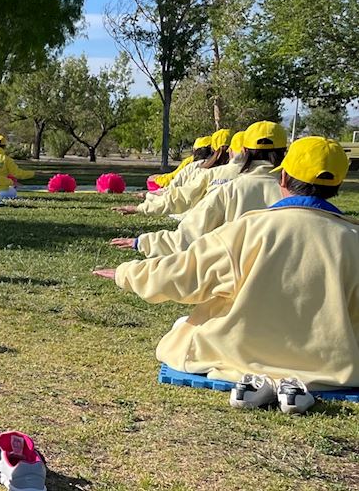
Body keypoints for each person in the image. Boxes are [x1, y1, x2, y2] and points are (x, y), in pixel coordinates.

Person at [94, 137, 359, 402]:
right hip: (334, 368)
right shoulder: (352, 238)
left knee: (184, 330)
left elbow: (185, 273)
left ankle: (259, 382)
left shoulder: (248, 230)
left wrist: (127, 273)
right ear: (337, 186)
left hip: (237, 356)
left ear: (284, 178)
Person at [111, 122, 288, 258]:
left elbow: (188, 231)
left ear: (243, 151)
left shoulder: (227, 188)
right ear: (284, 152)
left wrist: (142, 241)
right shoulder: (292, 190)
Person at [116, 135, 214, 216]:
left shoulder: (192, 165)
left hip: (187, 209)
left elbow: (173, 185)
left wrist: (150, 191)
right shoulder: (220, 169)